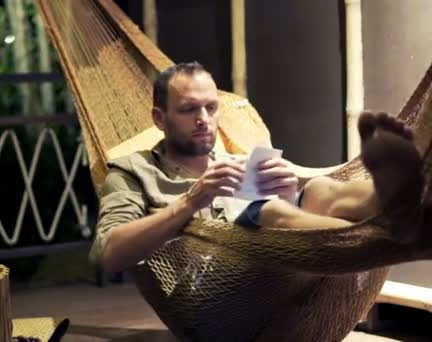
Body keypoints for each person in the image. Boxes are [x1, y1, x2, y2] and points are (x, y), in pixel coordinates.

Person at [89, 61, 425, 273]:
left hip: (285, 259)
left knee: (319, 189)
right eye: (189, 110)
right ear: (159, 119)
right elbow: (107, 256)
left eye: (211, 107)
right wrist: (190, 203)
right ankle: (385, 231)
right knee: (268, 214)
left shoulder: (235, 161)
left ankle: (394, 199)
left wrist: (289, 184)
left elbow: (295, 196)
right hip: (221, 276)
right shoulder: (133, 171)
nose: (205, 120)